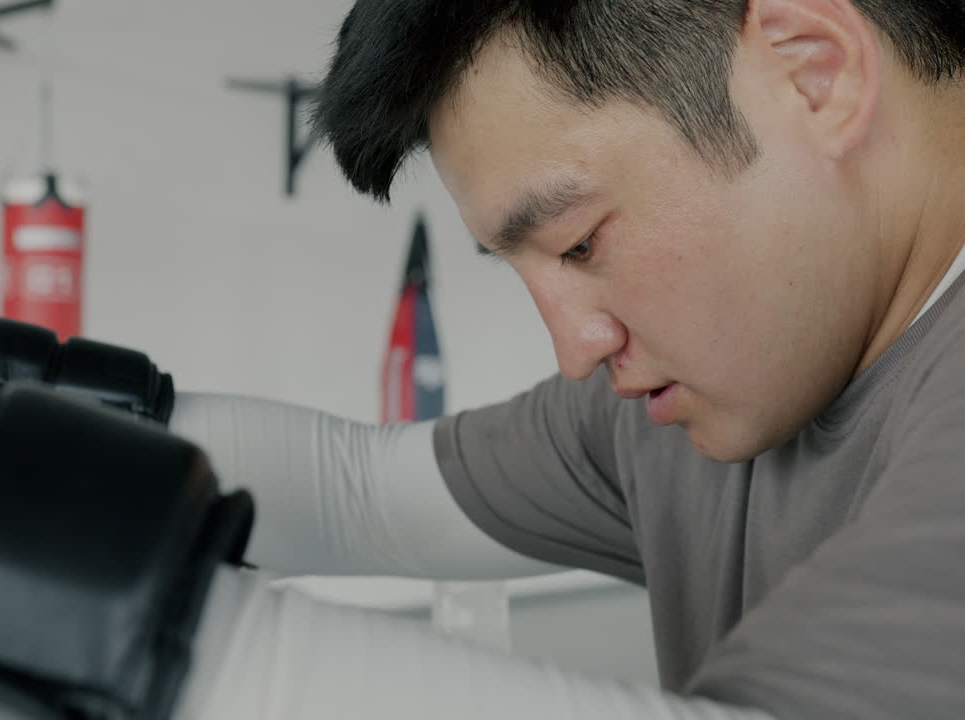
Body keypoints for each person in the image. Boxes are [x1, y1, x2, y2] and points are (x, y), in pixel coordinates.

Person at [166, 0, 965, 717]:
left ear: (812, 73)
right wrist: (51, 413)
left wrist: (163, 656)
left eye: (579, 243)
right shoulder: (711, 389)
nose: (576, 351)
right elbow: (358, 494)